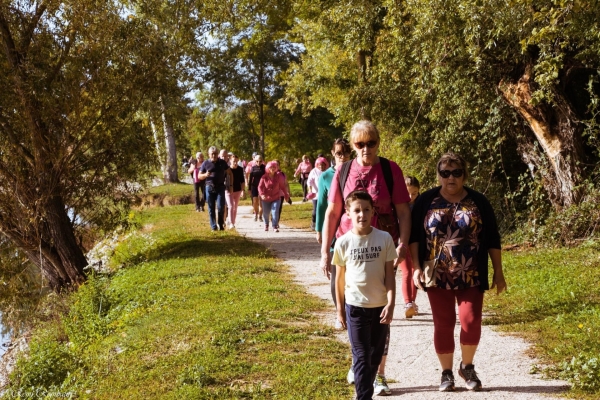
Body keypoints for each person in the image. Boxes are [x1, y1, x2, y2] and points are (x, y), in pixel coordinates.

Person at [320, 120, 411, 395]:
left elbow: (404, 211)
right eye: (360, 144)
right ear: (352, 146)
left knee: (380, 310)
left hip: (382, 250)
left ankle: (379, 373)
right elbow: (332, 213)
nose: (366, 149)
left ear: (377, 143)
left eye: (371, 143)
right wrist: (325, 251)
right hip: (349, 251)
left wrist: (403, 243)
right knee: (350, 307)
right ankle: (360, 360)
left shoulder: (389, 169)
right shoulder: (343, 171)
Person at [410, 152, 507, 392]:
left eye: (456, 173)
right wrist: (415, 268)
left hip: (471, 272)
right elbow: (414, 237)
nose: (450, 178)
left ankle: (467, 366)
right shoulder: (425, 201)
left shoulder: (479, 201)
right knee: (443, 323)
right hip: (436, 272)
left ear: (464, 175)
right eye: (445, 173)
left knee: (471, 322)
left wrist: (498, 271)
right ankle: (446, 373)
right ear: (438, 175)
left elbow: (492, 237)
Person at [332, 190, 396, 400]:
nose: (362, 214)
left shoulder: (384, 238)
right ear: (348, 214)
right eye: (357, 210)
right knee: (361, 357)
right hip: (355, 308)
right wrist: (340, 311)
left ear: (373, 211)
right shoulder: (343, 242)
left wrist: (391, 303)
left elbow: (390, 275)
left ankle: (363, 391)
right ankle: (364, 397)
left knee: (375, 356)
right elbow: (339, 280)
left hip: (379, 307)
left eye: (366, 209)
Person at [315, 138, 352, 328]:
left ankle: (353, 311)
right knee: (335, 272)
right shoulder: (326, 176)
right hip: (333, 231)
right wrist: (319, 230)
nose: (343, 157)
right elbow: (322, 207)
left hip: (351, 231)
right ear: (333, 153)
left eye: (346, 153)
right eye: (339, 153)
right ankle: (340, 312)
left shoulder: (354, 171)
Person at [401, 176, 421, 318]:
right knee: (407, 271)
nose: (411, 196)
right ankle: (408, 302)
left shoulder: (421, 204)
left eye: (414, 193)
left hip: (417, 242)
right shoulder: (398, 205)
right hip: (402, 242)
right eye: (408, 193)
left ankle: (412, 302)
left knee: (416, 271)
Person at [199, 146, 230, 231]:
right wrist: (205, 175)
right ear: (209, 155)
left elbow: (229, 172)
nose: (214, 155)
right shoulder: (205, 163)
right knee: (211, 208)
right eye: (212, 154)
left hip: (220, 187)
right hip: (209, 187)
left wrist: (230, 184)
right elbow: (199, 176)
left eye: (216, 153)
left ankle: (221, 224)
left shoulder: (222, 162)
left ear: (218, 154)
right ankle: (213, 226)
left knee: (220, 207)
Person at [258, 161, 290, 232]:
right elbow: (260, 187)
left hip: (276, 198)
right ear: (268, 168)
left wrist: (286, 195)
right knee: (266, 213)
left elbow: (282, 187)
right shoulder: (264, 177)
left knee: (275, 211)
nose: (272, 169)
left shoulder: (278, 177)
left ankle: (275, 226)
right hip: (266, 198)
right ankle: (266, 224)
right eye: (271, 167)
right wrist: (262, 194)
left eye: (274, 167)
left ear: (276, 168)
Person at [307, 157, 329, 230]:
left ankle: (323, 225)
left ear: (326, 165)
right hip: (316, 195)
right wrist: (310, 190)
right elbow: (309, 181)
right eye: (319, 165)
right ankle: (313, 222)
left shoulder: (328, 171)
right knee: (316, 211)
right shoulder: (314, 171)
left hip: (326, 195)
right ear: (317, 165)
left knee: (326, 211)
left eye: (323, 165)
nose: (321, 166)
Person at [225, 154, 245, 229]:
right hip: (228, 190)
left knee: (235, 207)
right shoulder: (227, 169)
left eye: (237, 161)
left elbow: (242, 181)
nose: (235, 163)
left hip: (237, 190)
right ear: (230, 161)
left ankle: (233, 221)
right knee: (230, 206)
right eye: (234, 161)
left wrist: (243, 190)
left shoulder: (240, 169)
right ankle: (231, 223)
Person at [247, 154, 265, 221]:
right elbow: (250, 178)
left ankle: (260, 216)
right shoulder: (253, 168)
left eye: (260, 161)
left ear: (262, 161)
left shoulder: (264, 168)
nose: (259, 163)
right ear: (255, 161)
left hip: (262, 187)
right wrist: (249, 188)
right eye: (257, 161)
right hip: (254, 186)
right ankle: (256, 213)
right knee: (255, 201)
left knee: (261, 201)